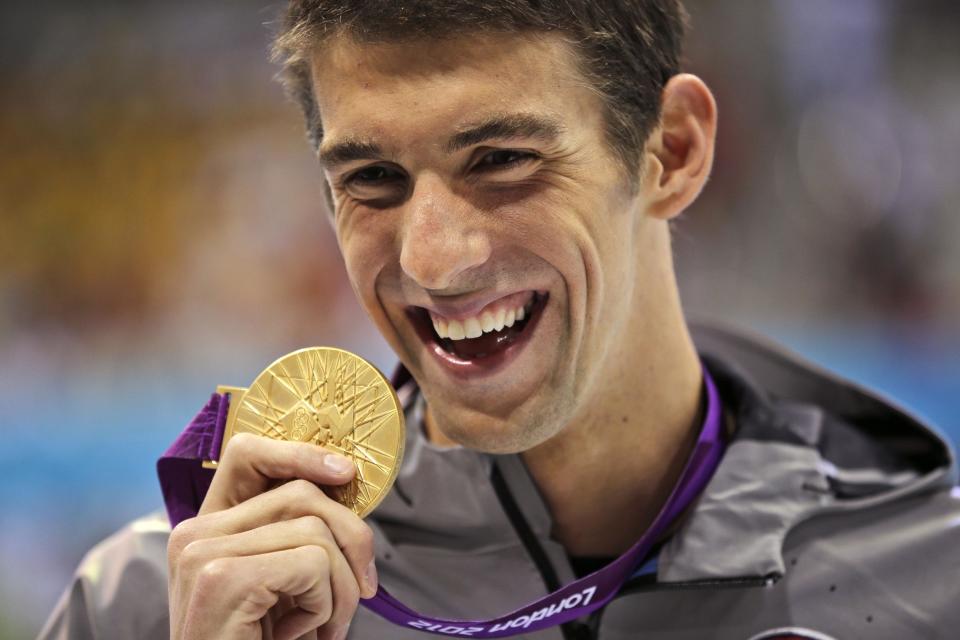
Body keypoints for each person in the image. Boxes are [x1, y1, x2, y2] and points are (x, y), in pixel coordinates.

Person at [41, 1, 960, 639]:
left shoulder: (932, 578)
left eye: (503, 159)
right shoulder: (160, 605)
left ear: (671, 152)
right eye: (371, 181)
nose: (433, 260)